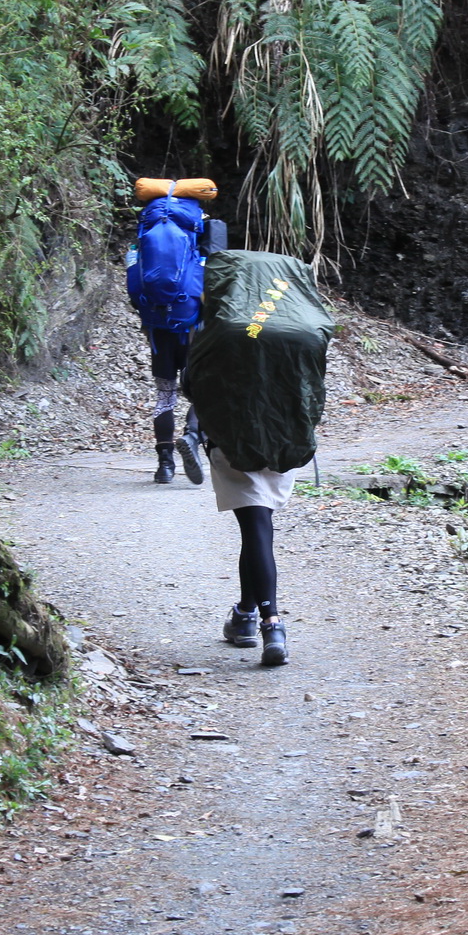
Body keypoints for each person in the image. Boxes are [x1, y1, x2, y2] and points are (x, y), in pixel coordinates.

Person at [181, 249, 332, 669]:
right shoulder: (305, 325)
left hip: (232, 440)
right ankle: (246, 615)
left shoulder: (223, 327)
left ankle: (271, 622)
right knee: (260, 525)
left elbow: (191, 387)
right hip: (287, 439)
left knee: (255, 527)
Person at [124, 188, 207, 485]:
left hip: (158, 329)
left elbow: (134, 291)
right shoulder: (198, 247)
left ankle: (165, 465)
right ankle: (192, 436)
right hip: (192, 329)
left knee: (165, 395)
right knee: (202, 393)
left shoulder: (139, 246)